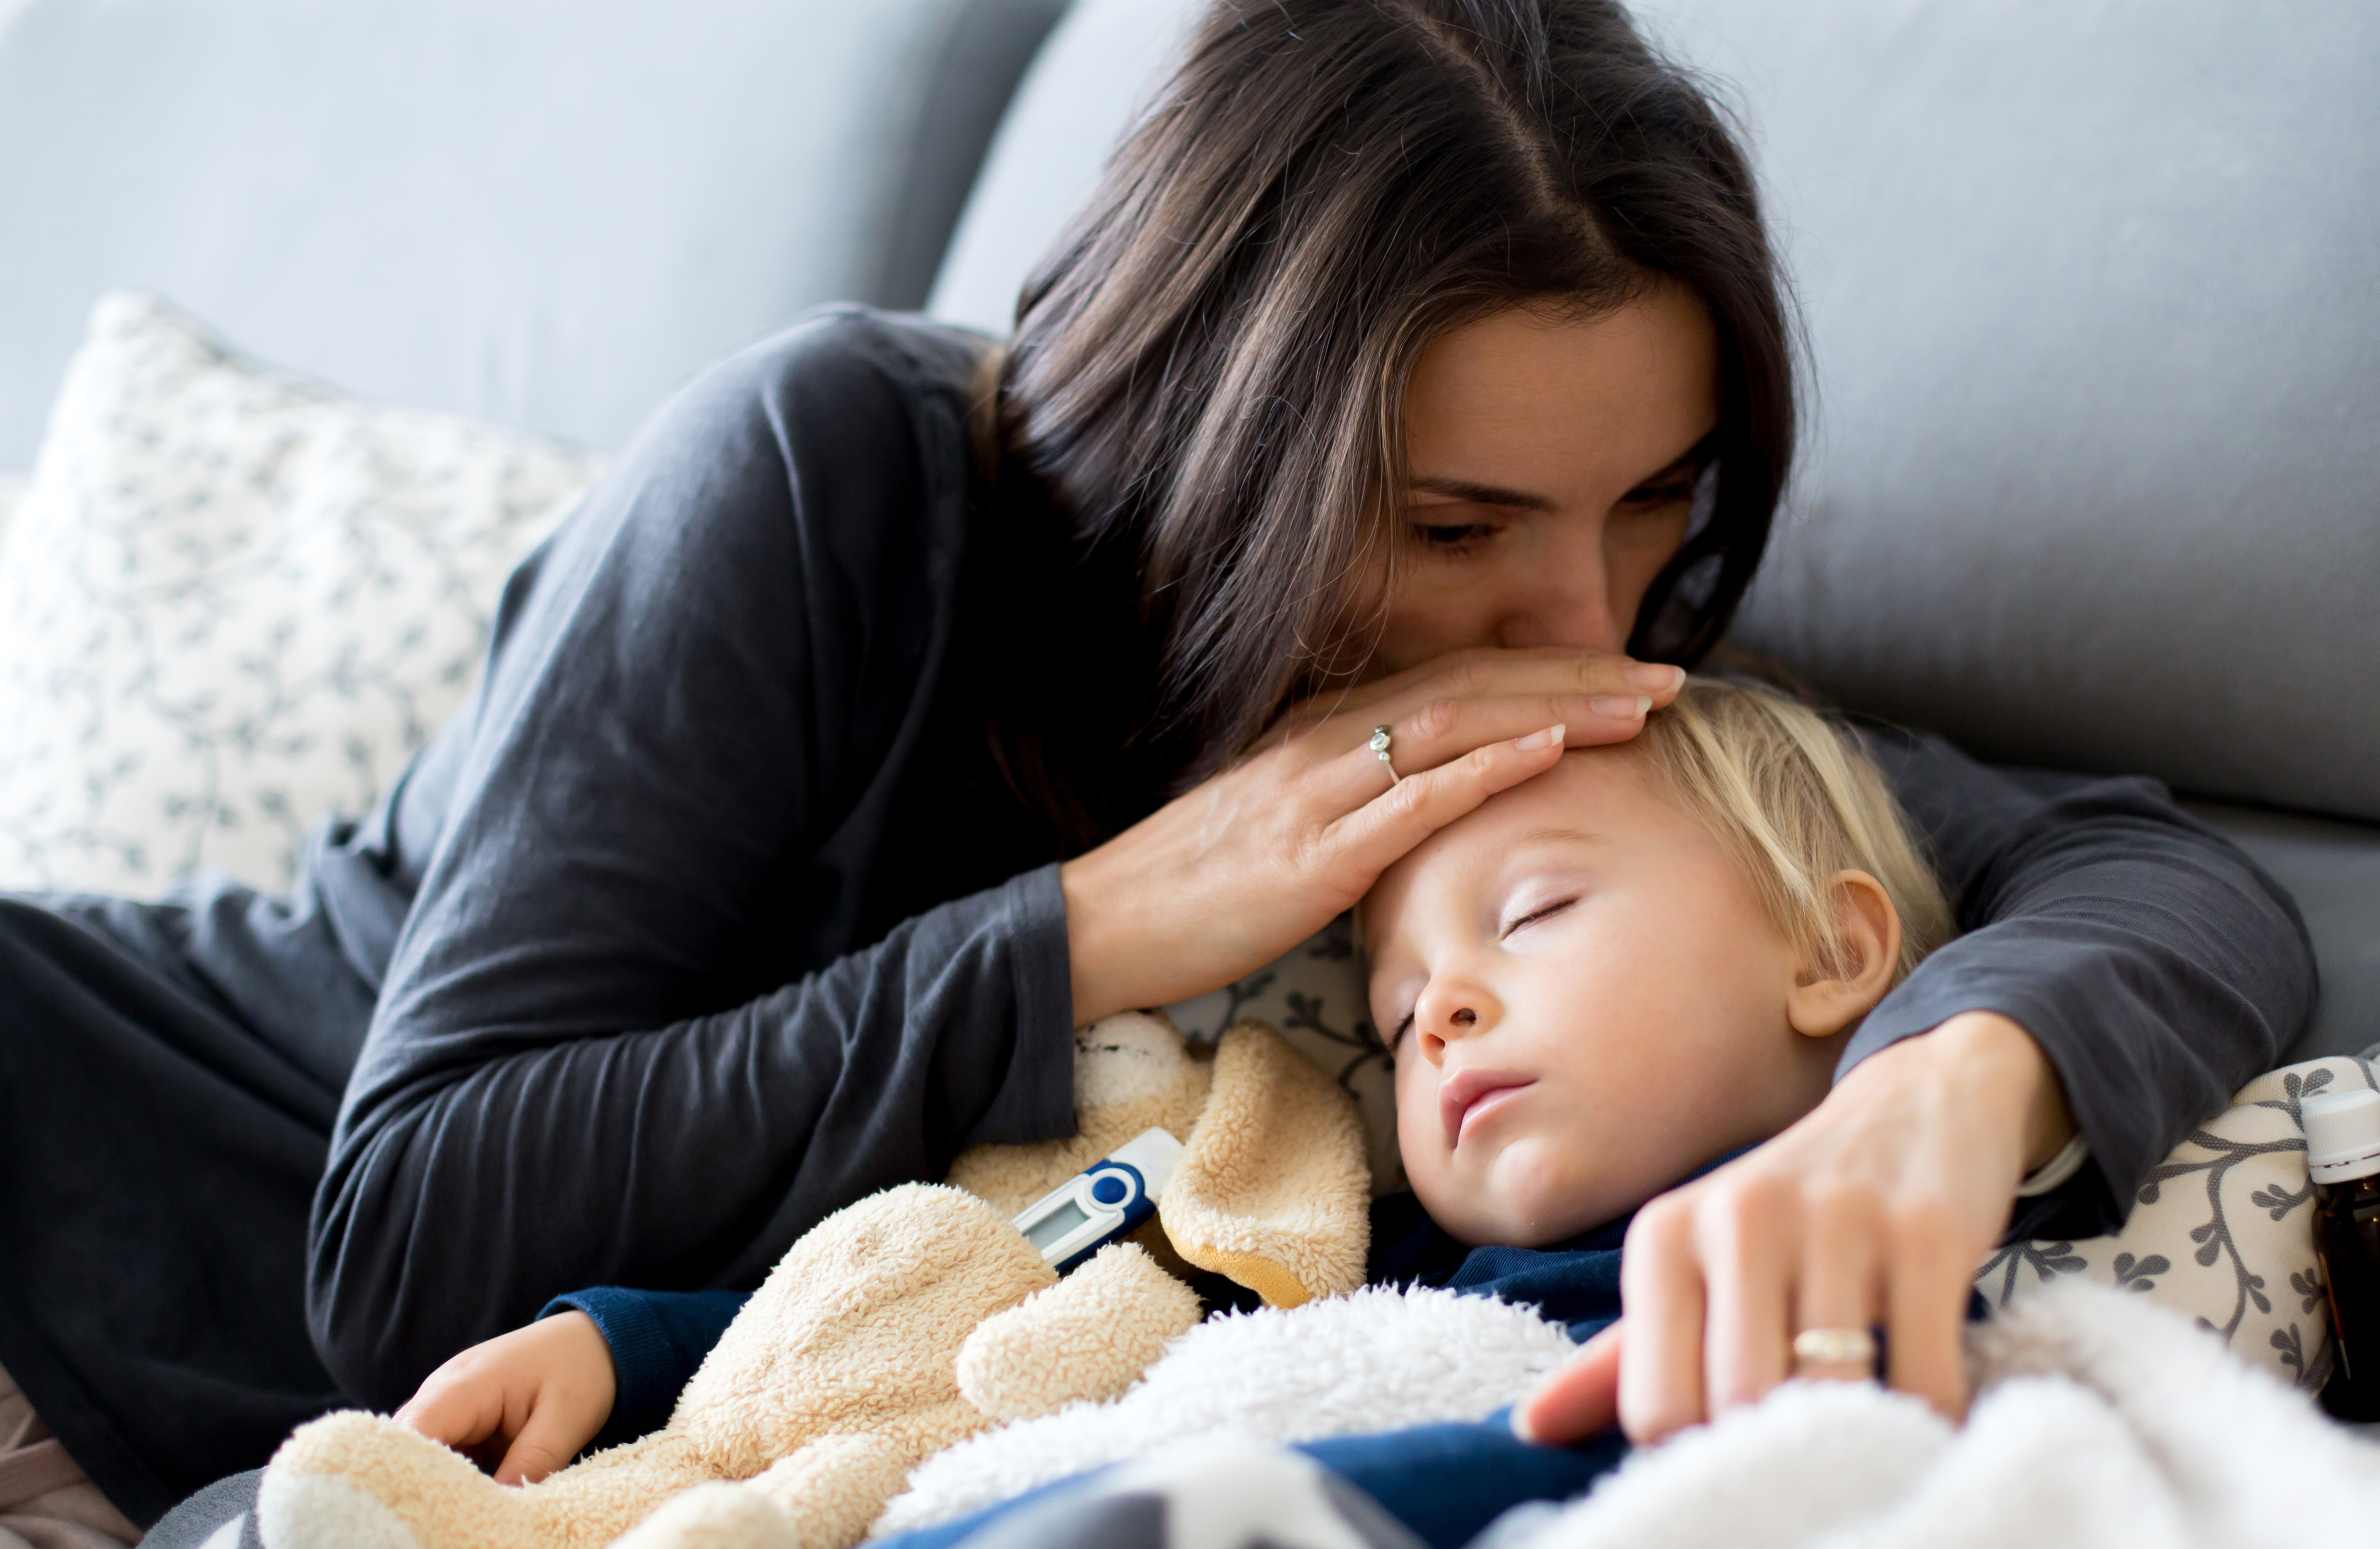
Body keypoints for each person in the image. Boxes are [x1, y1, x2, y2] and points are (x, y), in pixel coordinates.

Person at [4, 0, 2310, 1535]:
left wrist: (1927, 1116)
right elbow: (398, 1223)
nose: (1591, 632)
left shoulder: (1556, 657)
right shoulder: (829, 476)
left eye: (1655, 508)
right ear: (1229, 453)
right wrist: (1098, 928)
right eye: (1451, 526)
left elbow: (2147, 872)